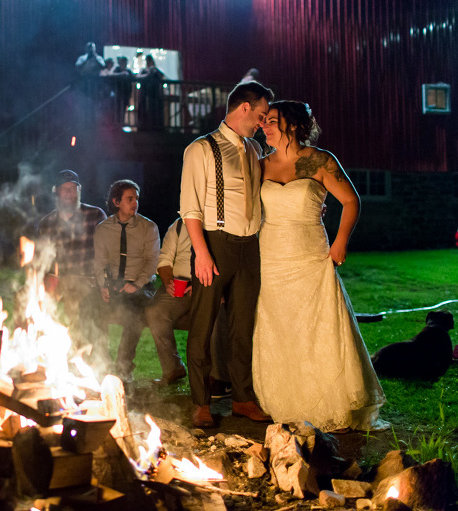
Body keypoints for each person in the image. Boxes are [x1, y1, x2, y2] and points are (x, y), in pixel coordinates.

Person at [252, 100, 386, 433]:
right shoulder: (260, 165)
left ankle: (330, 402)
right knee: (280, 327)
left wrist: (340, 242)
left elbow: (351, 201)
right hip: (271, 256)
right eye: (264, 121)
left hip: (311, 254)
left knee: (318, 325)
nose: (264, 126)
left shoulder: (320, 160)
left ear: (293, 125)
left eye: (272, 120)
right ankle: (288, 401)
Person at [179, 81, 275, 428]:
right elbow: (190, 208)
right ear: (244, 108)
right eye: (261, 115)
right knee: (202, 327)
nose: (263, 123)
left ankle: (243, 399)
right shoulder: (201, 149)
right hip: (215, 244)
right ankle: (201, 402)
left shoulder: (253, 149)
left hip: (250, 247)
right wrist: (202, 254)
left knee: (243, 326)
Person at [145, 218, 232, 390]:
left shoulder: (220, 224)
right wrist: (168, 282)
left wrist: (206, 287)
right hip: (181, 287)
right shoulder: (178, 225)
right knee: (155, 312)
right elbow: (164, 261)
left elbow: (228, 262)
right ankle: (173, 368)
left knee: (217, 315)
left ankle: (218, 376)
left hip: (210, 286)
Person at [89, 180, 160, 383]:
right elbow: (99, 262)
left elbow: (152, 262)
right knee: (89, 306)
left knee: (134, 313)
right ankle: (101, 363)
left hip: (141, 285)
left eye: (136, 198)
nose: (135, 203)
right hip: (114, 284)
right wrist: (102, 286)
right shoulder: (103, 229)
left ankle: (123, 368)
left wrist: (136, 284)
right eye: (130, 199)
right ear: (116, 202)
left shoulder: (148, 228)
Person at [37, 170, 107, 350]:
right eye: (64, 188)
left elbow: (107, 253)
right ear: (56, 191)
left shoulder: (95, 215)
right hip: (57, 281)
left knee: (74, 296)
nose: (69, 192)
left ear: (79, 190)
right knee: (24, 295)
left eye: (73, 188)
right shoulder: (47, 222)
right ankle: (31, 351)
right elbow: (41, 259)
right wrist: (45, 279)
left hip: (87, 280)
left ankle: (80, 353)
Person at [137, 55, 165, 130]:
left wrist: (154, 70)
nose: (149, 62)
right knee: (144, 110)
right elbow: (138, 77)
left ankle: (155, 126)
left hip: (154, 95)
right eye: (148, 61)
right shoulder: (143, 70)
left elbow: (162, 76)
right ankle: (143, 126)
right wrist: (148, 74)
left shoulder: (155, 71)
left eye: (150, 61)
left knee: (154, 110)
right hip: (144, 94)